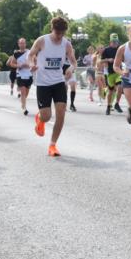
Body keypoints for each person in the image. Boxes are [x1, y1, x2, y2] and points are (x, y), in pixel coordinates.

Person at [29, 17, 78, 156]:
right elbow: (31, 54)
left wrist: (71, 69)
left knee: (61, 114)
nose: (59, 36)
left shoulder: (66, 44)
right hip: (43, 83)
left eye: (62, 33)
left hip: (58, 82)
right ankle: (40, 119)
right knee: (46, 116)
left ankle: (52, 145)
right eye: (57, 33)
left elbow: (74, 62)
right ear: (52, 29)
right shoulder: (42, 40)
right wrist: (32, 64)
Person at [99, 34, 124, 115]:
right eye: (113, 42)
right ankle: (108, 106)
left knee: (120, 87)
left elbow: (124, 59)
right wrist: (108, 59)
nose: (115, 43)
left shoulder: (120, 49)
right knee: (110, 91)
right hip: (110, 73)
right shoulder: (106, 50)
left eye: (116, 41)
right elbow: (100, 61)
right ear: (110, 42)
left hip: (118, 72)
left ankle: (117, 104)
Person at [8, 38, 33, 116]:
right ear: (18, 44)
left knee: (26, 93)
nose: (22, 45)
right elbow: (11, 64)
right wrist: (19, 65)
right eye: (21, 43)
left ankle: (23, 102)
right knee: (22, 91)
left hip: (29, 75)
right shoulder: (16, 54)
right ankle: (24, 108)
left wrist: (29, 65)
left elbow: (34, 61)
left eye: (23, 43)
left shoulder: (29, 52)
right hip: (20, 75)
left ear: (25, 44)